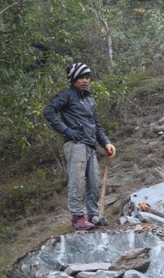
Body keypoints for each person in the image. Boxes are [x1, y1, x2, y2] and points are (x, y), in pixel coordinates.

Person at [43, 63, 116, 231]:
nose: (85, 80)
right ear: (74, 79)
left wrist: (105, 143)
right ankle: (77, 218)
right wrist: (67, 131)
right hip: (75, 144)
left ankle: (93, 215)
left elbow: (96, 125)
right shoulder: (66, 95)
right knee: (77, 181)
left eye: (88, 77)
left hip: (90, 145)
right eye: (82, 77)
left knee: (93, 181)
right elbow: (49, 111)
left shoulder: (89, 101)